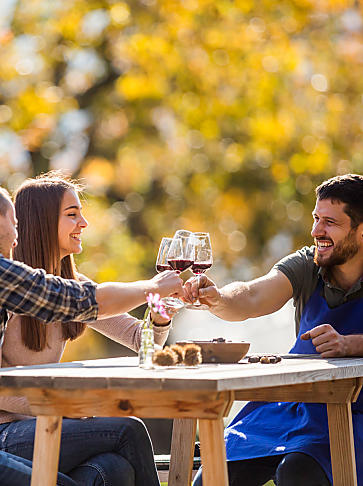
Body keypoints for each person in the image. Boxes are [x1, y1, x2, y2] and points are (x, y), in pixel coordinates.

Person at [0, 172, 179, 486]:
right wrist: (64, 406)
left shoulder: (73, 287)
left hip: (48, 425)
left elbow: (142, 341)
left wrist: (160, 307)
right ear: (41, 222)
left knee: (113, 469)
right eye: (72, 215)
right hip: (8, 434)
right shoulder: (15, 290)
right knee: (128, 430)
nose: (84, 223)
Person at [185, 173, 363, 486]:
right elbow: (252, 296)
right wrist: (217, 297)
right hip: (293, 407)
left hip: (353, 414)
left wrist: (349, 344)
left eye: (330, 222)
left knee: (298, 473)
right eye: (315, 218)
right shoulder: (309, 264)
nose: (316, 231)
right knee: (215, 475)